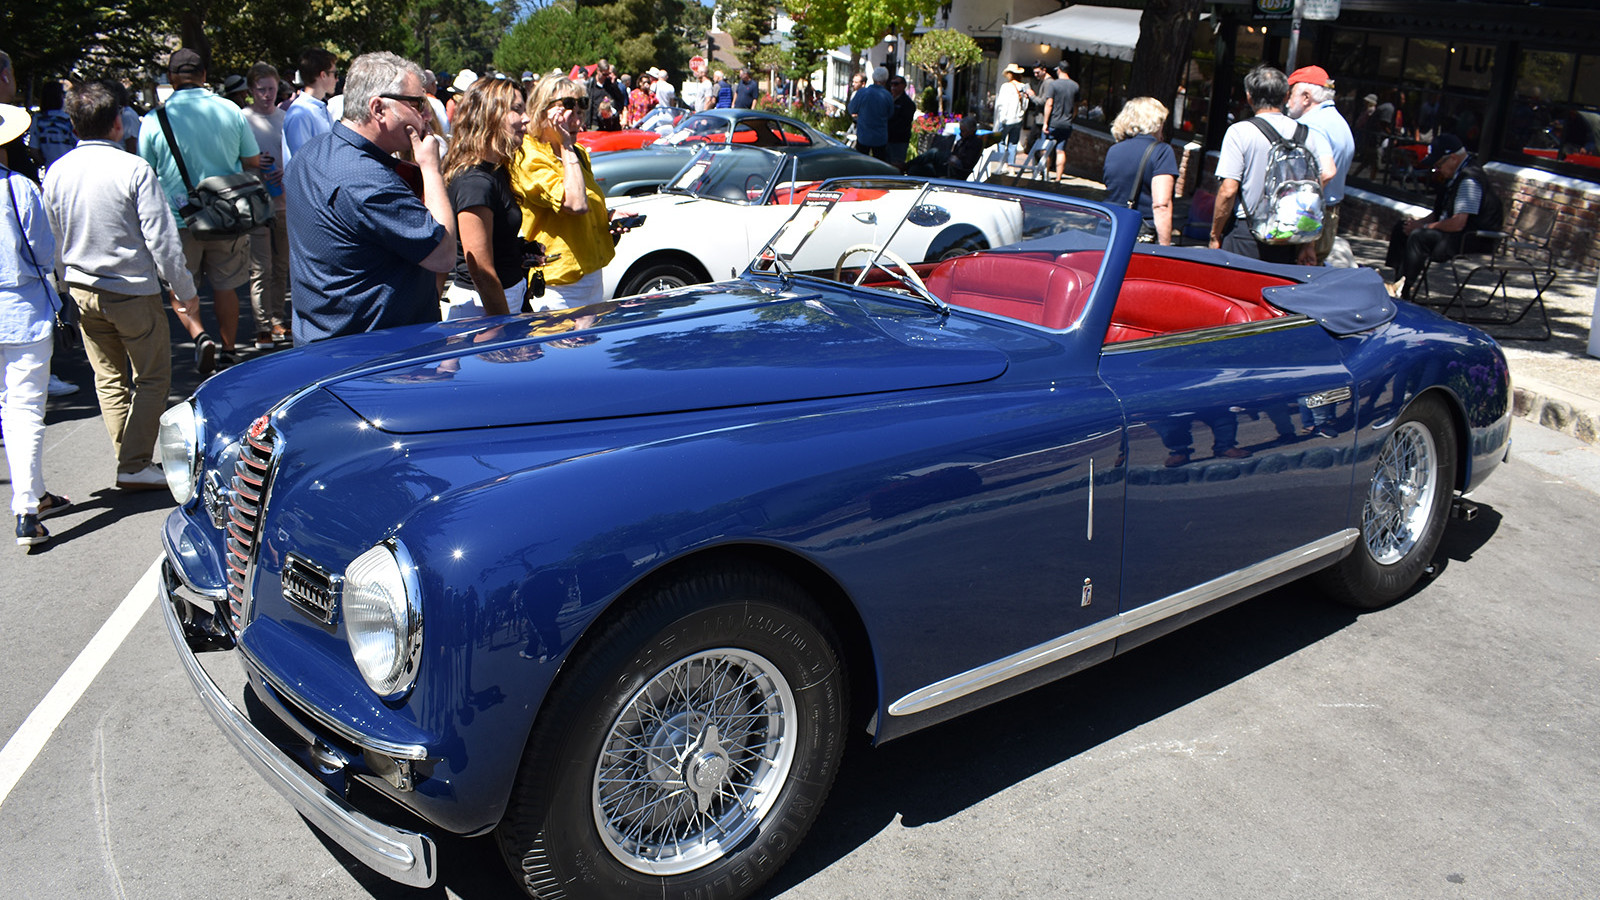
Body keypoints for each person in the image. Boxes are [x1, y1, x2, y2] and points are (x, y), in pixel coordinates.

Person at [43, 81, 197, 492]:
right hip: (131, 289)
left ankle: (128, 458)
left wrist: (60, 287)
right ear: (117, 123)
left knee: (108, 378)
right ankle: (133, 463)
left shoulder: (57, 171)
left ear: (74, 124)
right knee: (151, 377)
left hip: (80, 286)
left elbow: (52, 237)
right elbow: (162, 239)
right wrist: (183, 288)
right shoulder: (133, 169)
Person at [285, 51, 458, 343]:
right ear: (378, 108)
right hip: (377, 359)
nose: (427, 115)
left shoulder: (311, 152)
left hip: (321, 344)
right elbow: (443, 255)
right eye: (418, 103)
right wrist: (431, 169)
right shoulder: (368, 181)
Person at [138, 48, 260, 372]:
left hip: (178, 220)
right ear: (204, 76)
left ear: (170, 78)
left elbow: (145, 173)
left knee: (181, 286)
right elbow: (253, 161)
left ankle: (199, 335)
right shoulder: (230, 110)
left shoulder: (153, 120)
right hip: (227, 215)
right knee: (226, 285)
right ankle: (230, 349)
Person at [1, 101, 72, 547]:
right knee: (24, 407)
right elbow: (43, 254)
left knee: (12, 406)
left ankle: (37, 494)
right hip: (21, 310)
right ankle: (28, 507)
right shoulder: (18, 189)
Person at [511, 73, 628, 310]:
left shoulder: (578, 154)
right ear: (542, 112)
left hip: (591, 275)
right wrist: (565, 145)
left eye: (581, 110)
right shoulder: (529, 155)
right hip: (556, 285)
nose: (577, 120)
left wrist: (607, 217)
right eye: (568, 110)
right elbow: (574, 204)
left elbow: (586, 204)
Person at [1209, 64, 1334, 264]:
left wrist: (1215, 234)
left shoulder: (1239, 132)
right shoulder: (1308, 135)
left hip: (1246, 233)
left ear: (1249, 96)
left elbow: (1228, 190)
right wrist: (1307, 244)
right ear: (1286, 96)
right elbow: (1314, 191)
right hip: (1290, 235)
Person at [440, 77, 530, 321]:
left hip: (502, 300)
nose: (527, 118)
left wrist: (520, 250)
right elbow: (480, 270)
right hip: (484, 311)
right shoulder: (475, 182)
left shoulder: (494, 170)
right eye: (517, 110)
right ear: (490, 115)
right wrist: (504, 331)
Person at [1383, 133, 1503, 301]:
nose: (1437, 169)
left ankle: (1405, 290)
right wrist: (1418, 223)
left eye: (1438, 164)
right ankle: (1396, 281)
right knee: (1402, 228)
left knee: (1419, 237)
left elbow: (1458, 223)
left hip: (1475, 239)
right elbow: (1440, 214)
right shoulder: (1453, 177)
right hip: (1456, 234)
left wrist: (1423, 228)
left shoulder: (1469, 180)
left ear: (1453, 158)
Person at [1286, 66, 1355, 264]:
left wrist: (1308, 238)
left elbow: (1324, 174)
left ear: (1306, 97)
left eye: (1292, 95)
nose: (1288, 102)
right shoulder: (1338, 122)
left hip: (1309, 217)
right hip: (1327, 215)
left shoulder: (1311, 126)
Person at [243, 63, 290, 348]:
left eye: (271, 89)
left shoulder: (285, 117)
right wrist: (253, 163)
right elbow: (231, 158)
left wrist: (286, 171)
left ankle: (277, 320)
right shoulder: (242, 119)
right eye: (261, 89)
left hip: (283, 199)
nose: (267, 95)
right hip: (254, 201)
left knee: (281, 265)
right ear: (251, 90)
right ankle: (262, 326)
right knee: (261, 267)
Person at [1103, 97, 1178, 246]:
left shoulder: (1114, 150)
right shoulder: (1162, 152)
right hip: (1139, 235)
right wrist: (1165, 250)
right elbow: (1161, 205)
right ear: (1155, 123)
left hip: (1108, 228)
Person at [282, 48, 338, 164]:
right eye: (335, 74)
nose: (337, 80)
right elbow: (303, 164)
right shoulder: (300, 114)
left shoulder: (321, 108)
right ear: (323, 75)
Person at [1039, 60, 1079, 181]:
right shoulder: (1075, 86)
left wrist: (1045, 123)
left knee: (1046, 149)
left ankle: (1046, 174)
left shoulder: (1054, 85)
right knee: (1060, 151)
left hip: (1053, 122)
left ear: (1060, 70)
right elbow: (1076, 107)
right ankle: (1058, 178)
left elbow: (1049, 104)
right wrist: (1071, 118)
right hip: (1066, 124)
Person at [28, 81, 78, 171]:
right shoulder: (70, 119)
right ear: (61, 97)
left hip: (50, 170)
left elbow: (33, 150)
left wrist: (44, 161)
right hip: (72, 168)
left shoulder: (37, 119)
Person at [849, 67, 893, 161]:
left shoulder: (862, 93)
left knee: (861, 165)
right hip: (880, 138)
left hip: (863, 136)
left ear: (873, 78)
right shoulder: (888, 96)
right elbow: (890, 115)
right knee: (879, 166)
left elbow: (851, 109)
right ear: (886, 80)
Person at [993, 64, 1029, 163]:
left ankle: (1002, 163)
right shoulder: (1024, 87)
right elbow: (1025, 105)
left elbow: (1001, 104)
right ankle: (1011, 166)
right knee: (1013, 143)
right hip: (1018, 119)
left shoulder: (1006, 86)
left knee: (1001, 142)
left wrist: (1001, 117)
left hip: (1006, 119)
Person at [886, 74, 916, 171]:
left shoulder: (907, 103)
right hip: (886, 139)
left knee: (896, 166)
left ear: (903, 86)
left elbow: (903, 123)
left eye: (896, 84)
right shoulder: (887, 99)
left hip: (899, 141)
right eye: (892, 84)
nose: (893, 87)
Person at [947, 115, 984, 180]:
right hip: (952, 164)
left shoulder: (975, 142)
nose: (960, 133)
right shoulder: (963, 140)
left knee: (933, 153)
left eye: (963, 131)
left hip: (959, 169)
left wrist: (956, 157)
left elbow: (967, 161)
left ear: (971, 131)